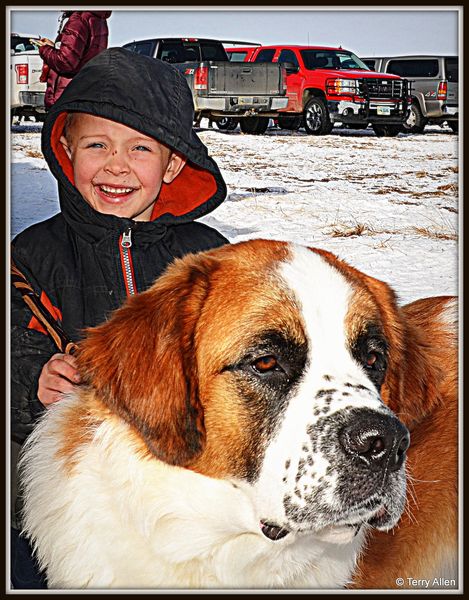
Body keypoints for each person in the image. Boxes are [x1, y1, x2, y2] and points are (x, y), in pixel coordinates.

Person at [11, 47, 228, 588]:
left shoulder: (210, 260)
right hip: (67, 482)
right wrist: (33, 377)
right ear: (65, 150)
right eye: (96, 145)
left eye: (140, 148)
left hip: (184, 476)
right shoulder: (34, 255)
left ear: (173, 162)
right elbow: (14, 338)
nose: (116, 164)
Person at [37, 10, 111, 109]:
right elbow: (84, 54)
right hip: (85, 92)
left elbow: (66, 62)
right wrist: (53, 47)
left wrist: (44, 49)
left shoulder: (79, 19)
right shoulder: (98, 19)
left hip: (66, 96)